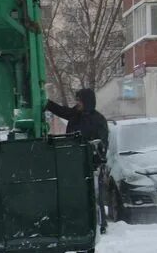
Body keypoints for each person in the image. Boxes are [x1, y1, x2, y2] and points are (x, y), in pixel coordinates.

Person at [46, 88, 109, 234]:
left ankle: (101, 223)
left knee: (95, 195)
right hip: (73, 162)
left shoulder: (98, 120)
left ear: (87, 101)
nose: (77, 103)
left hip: (91, 164)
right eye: (77, 100)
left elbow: (102, 143)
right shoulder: (76, 115)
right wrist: (47, 103)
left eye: (79, 101)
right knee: (77, 195)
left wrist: (96, 159)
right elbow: (63, 111)